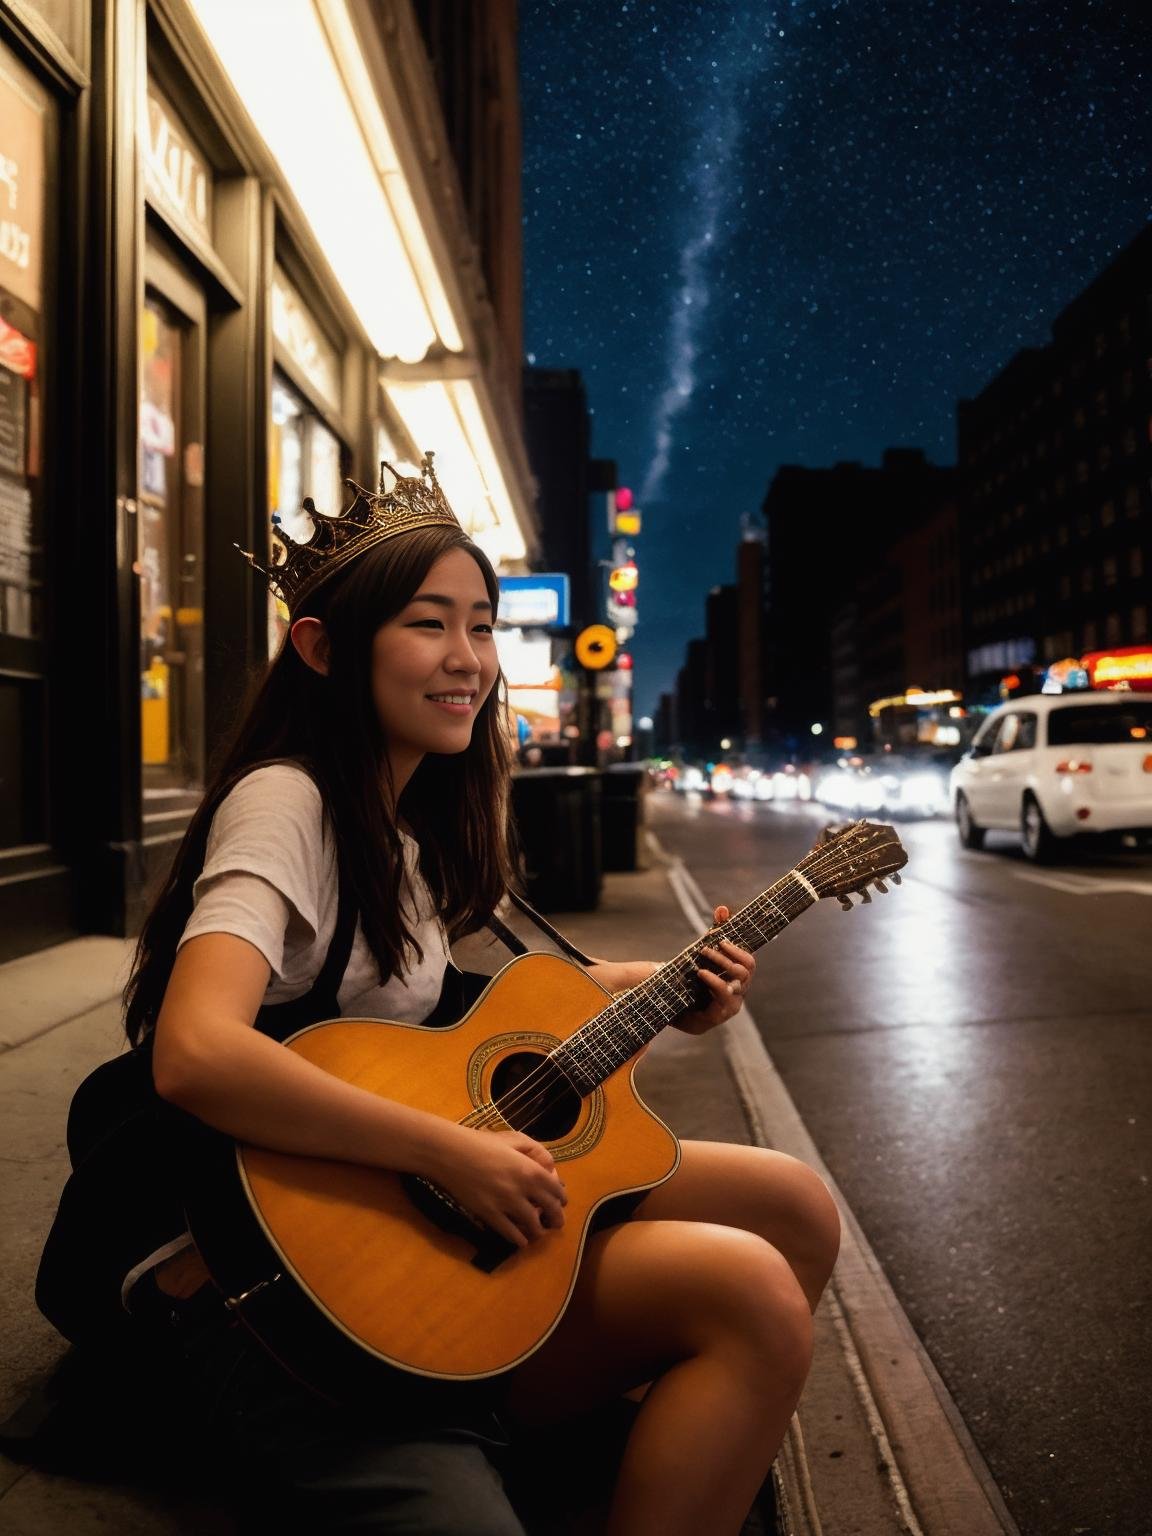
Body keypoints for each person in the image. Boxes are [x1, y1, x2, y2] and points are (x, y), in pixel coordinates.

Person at [118, 456, 840, 1535]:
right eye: (429, 625)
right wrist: (447, 1151)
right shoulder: (286, 802)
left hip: (417, 1213)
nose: (471, 661)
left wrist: (651, 987)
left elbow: (423, 1007)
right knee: (747, 1290)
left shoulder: (398, 828)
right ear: (321, 647)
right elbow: (196, 1051)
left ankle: (591, 1419)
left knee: (793, 1207)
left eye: (485, 625)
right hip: (280, 1267)